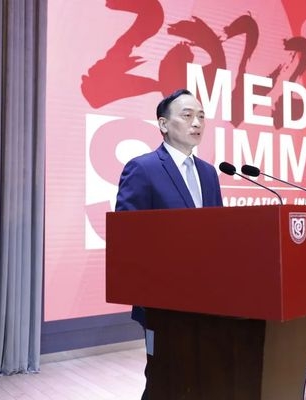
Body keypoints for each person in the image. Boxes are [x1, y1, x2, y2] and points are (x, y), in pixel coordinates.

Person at [114, 88, 223, 399]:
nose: (196, 123)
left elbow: (220, 234)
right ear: (163, 124)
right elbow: (127, 236)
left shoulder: (209, 173)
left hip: (208, 299)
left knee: (201, 376)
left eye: (201, 116)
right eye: (187, 115)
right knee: (163, 378)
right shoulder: (143, 168)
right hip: (162, 301)